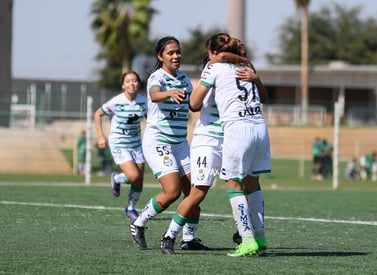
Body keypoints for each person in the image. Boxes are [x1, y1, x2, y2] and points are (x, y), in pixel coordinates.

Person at [162, 33, 271, 257]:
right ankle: (170, 236)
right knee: (200, 191)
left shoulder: (217, 68)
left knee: (238, 185)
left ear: (213, 53)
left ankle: (249, 237)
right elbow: (196, 104)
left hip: (234, 134)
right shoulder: (243, 67)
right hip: (211, 139)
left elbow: (193, 104)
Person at [129, 36, 208, 251]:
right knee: (172, 191)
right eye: (170, 53)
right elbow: (154, 95)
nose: (176, 56)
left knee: (195, 191)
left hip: (180, 143)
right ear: (160, 56)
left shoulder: (183, 78)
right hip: (158, 142)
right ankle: (138, 223)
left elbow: (193, 105)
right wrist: (169, 93)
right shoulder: (157, 77)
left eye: (178, 52)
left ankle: (188, 239)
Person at [94, 70, 147, 220]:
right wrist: (100, 136)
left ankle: (130, 208)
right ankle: (116, 178)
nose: (132, 83)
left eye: (135, 81)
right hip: (119, 144)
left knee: (139, 179)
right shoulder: (116, 102)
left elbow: (152, 119)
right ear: (123, 85)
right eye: (128, 81)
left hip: (136, 144)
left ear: (138, 84)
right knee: (133, 176)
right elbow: (98, 114)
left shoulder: (144, 102)